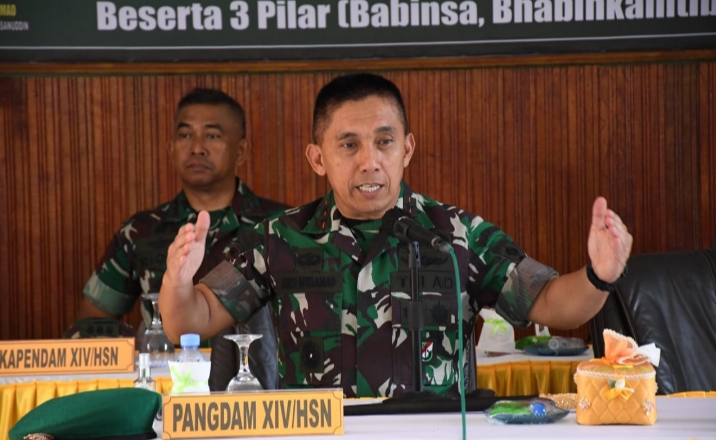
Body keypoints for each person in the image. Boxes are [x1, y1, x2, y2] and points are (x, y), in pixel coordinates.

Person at [159, 74, 633, 398]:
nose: (369, 161)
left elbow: (551, 302)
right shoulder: (279, 238)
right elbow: (191, 322)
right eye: (349, 144)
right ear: (318, 158)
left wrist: (599, 274)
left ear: (406, 150)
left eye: (384, 142)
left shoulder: (456, 234)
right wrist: (177, 283)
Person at [77, 88, 287, 387]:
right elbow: (91, 324)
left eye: (212, 136)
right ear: (171, 148)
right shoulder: (141, 231)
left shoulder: (278, 226)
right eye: (186, 135)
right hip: (167, 392)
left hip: (257, 392)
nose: (197, 148)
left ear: (241, 150)